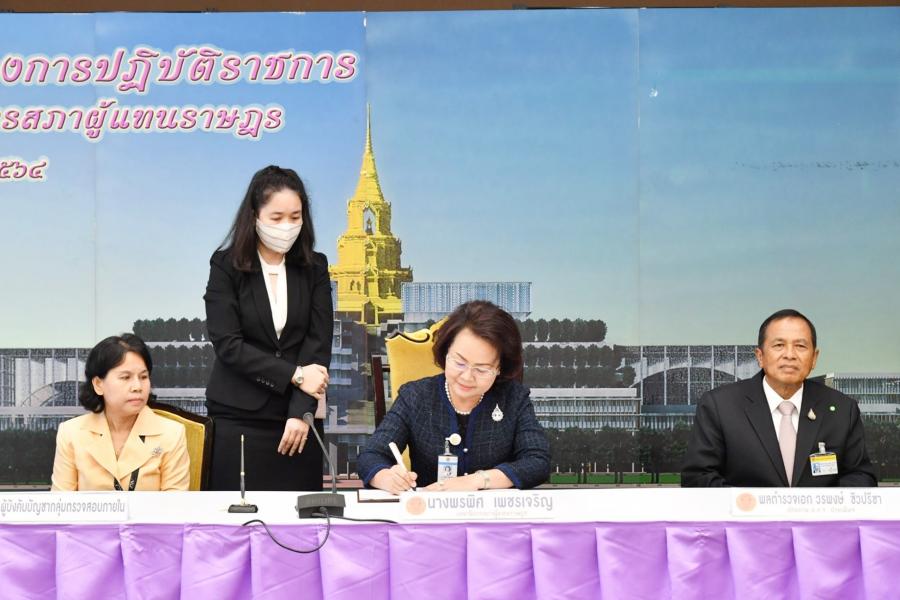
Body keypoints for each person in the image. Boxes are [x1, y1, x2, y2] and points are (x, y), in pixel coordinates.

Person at [204, 165, 332, 491]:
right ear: (254, 216)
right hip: (237, 416)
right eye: (277, 218)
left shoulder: (315, 267)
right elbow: (228, 344)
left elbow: (318, 344)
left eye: (295, 217)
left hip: (296, 419)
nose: (287, 226)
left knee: (300, 517)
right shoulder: (225, 265)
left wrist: (300, 413)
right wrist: (295, 375)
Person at [358, 300, 551, 494]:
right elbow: (371, 456)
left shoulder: (513, 398)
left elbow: (537, 461)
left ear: (499, 368)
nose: (467, 377)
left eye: (482, 369)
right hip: (429, 510)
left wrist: (478, 480)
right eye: (459, 363)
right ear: (446, 352)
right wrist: (386, 477)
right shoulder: (415, 396)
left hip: (494, 511)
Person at [681, 309, 877, 487]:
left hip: (818, 516)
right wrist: (752, 506)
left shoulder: (842, 409)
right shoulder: (721, 406)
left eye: (800, 346)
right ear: (760, 356)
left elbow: (861, 477)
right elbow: (698, 478)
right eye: (779, 345)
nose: (790, 355)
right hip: (747, 516)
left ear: (814, 358)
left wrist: (819, 507)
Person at [51, 334, 190, 491]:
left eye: (143, 377)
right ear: (98, 384)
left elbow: (175, 503)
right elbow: (61, 502)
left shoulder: (172, 434)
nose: (137, 387)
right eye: (125, 377)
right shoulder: (71, 433)